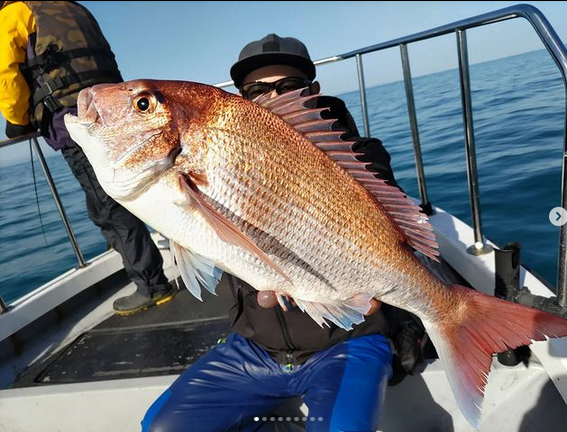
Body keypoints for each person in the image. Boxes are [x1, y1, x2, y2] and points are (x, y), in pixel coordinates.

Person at [141, 34, 426, 432]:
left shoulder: (359, 156)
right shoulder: (218, 162)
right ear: (240, 99)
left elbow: (387, 229)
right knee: (159, 427)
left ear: (312, 92)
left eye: (288, 87)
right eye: (256, 90)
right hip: (254, 344)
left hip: (347, 342)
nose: (272, 97)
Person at [0, 1, 174, 315]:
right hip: (117, 114)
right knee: (122, 196)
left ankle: (153, 286)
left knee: (108, 206)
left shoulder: (15, 14)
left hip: (76, 123)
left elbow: (6, 74)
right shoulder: (76, 8)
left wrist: (16, 121)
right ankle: (140, 259)